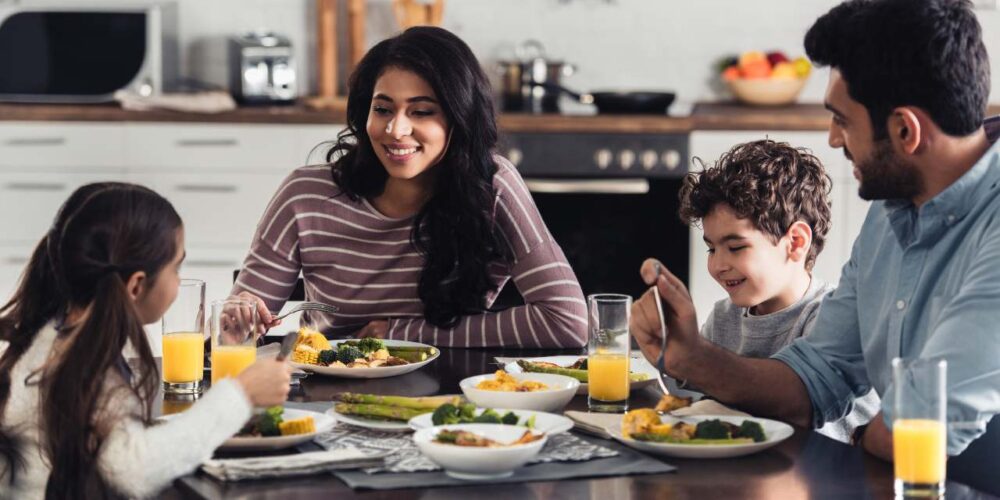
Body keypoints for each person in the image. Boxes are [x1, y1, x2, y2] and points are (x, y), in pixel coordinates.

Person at [630, 0, 1000, 493]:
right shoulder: (889, 214)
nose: (831, 139)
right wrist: (689, 356)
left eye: (842, 121)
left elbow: (920, 427)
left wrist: (862, 436)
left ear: (905, 131)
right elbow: (815, 379)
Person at [234, 27, 587, 348]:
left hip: (454, 392)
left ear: (459, 119)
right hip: (328, 394)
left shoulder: (491, 187)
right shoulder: (304, 194)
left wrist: (400, 334)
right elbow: (239, 327)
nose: (396, 129)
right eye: (383, 109)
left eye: (421, 112)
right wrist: (239, 316)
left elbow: (567, 320)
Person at [0, 183, 291, 499]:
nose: (179, 281)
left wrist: (217, 347)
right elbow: (132, 471)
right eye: (176, 267)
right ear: (137, 285)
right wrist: (241, 395)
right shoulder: (77, 361)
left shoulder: (66, 335)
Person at [641, 139, 878, 443]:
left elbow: (808, 436)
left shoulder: (829, 322)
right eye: (712, 248)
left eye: (736, 247)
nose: (718, 265)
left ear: (795, 243)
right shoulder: (724, 318)